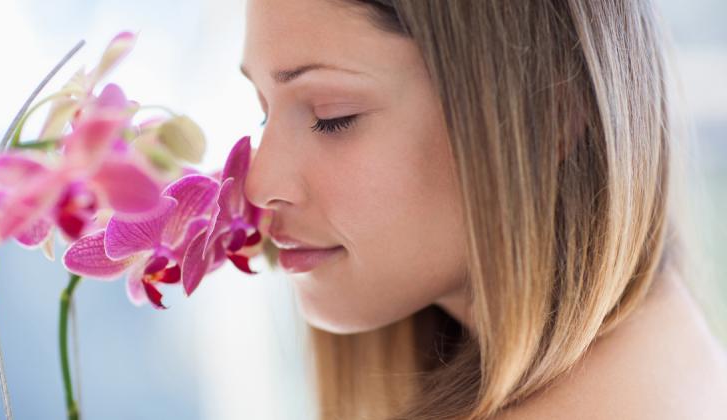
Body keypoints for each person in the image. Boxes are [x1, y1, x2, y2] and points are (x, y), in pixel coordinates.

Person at [239, 0, 727, 419]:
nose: (257, 184)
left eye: (332, 117)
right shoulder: (669, 353)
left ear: (548, 114)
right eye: (264, 111)